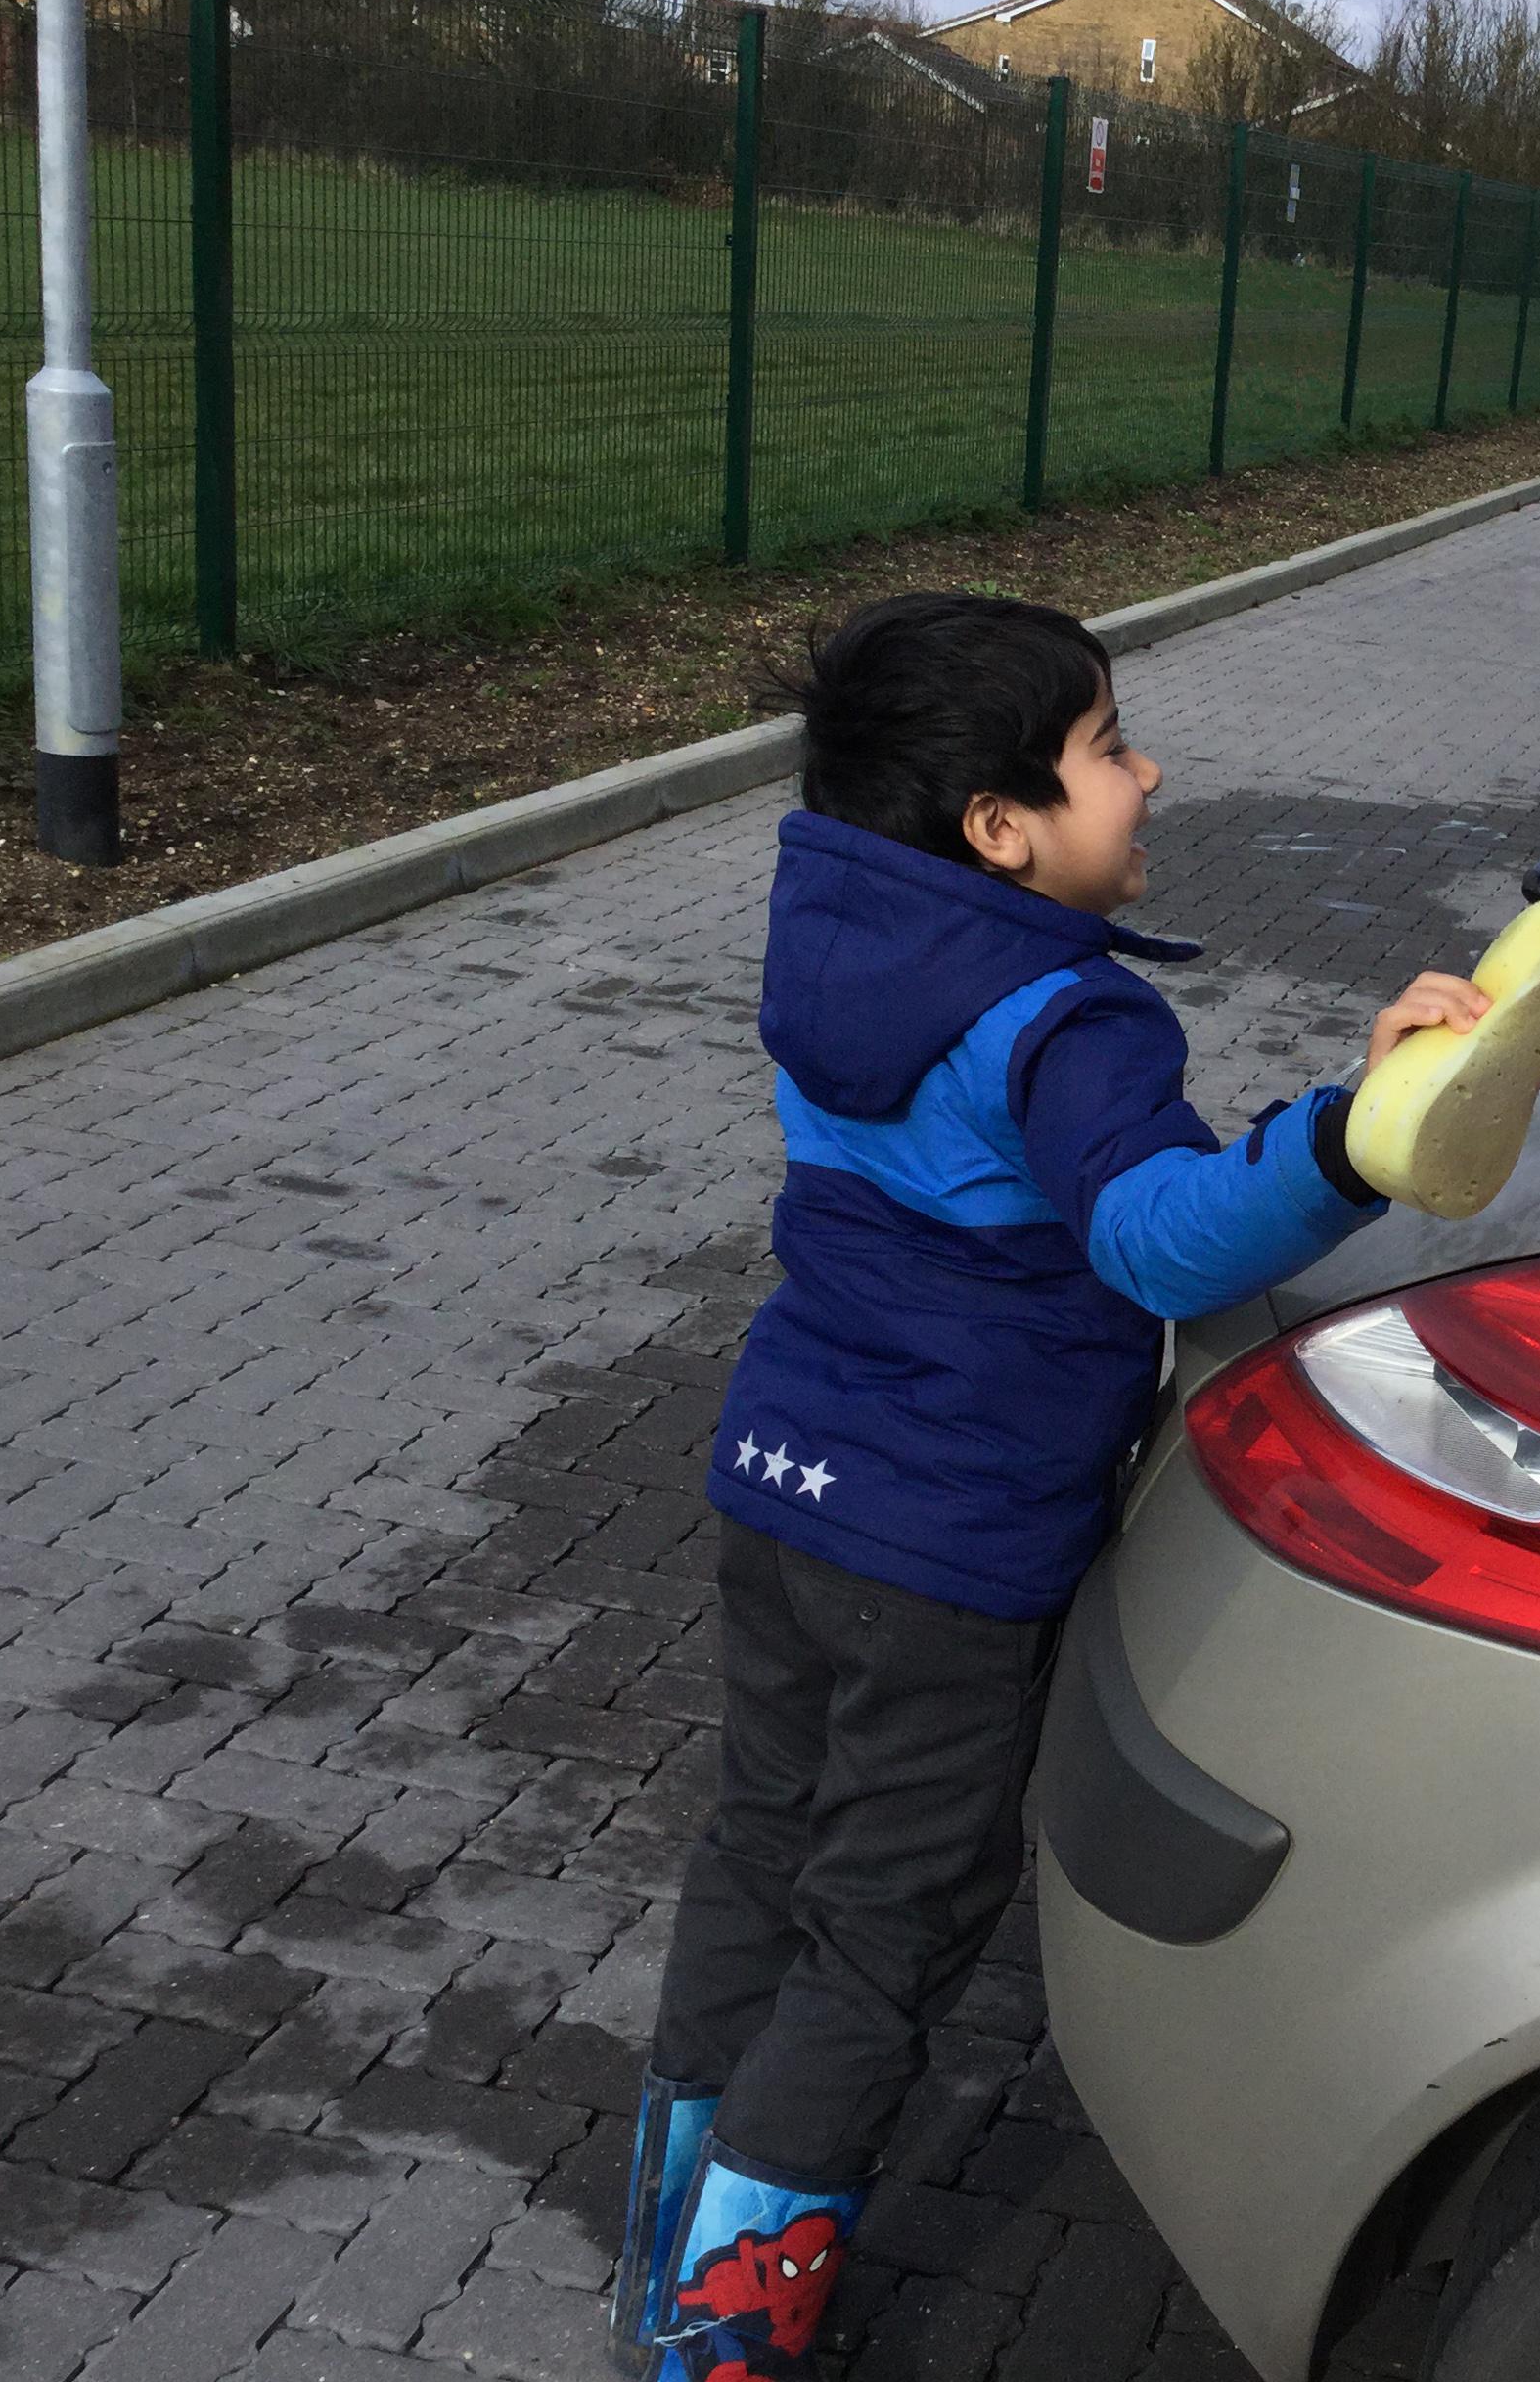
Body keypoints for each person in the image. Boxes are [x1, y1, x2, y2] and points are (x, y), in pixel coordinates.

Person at [611, 593, 1487, 2380]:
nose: (1146, 773)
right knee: (885, 1930)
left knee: (761, 1847)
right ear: (1000, 827)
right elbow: (1159, 1240)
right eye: (1108, 746)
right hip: (944, 1544)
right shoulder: (1068, 1020)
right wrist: (1352, 1129)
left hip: (780, 1481)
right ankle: (719, 2345)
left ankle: (664, 2254)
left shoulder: (844, 935)